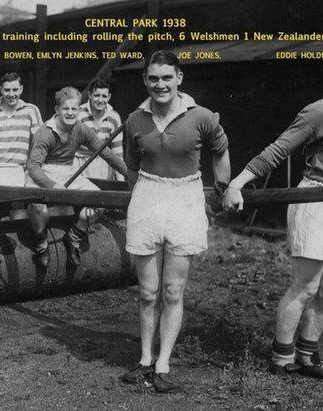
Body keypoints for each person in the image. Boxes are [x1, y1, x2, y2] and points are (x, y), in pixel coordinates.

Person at [224, 45, 323, 381]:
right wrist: (236, 184)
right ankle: (281, 358)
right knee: (306, 287)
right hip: (315, 202)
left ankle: (307, 355)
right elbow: (277, 150)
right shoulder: (320, 111)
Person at [121, 50, 231, 393]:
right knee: (148, 290)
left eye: (167, 77)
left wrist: (222, 190)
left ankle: (164, 363)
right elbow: (131, 167)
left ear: (179, 78)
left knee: (172, 289)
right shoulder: (134, 120)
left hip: (185, 197)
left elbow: (221, 152)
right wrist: (142, 196)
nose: (160, 85)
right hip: (149, 196)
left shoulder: (202, 117)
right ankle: (144, 359)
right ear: (145, 81)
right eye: (153, 78)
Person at [26, 86, 127, 268]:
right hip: (42, 173)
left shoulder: (81, 129)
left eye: (74, 109)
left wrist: (130, 175)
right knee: (39, 207)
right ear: (57, 110)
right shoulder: (45, 132)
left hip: (67, 171)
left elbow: (106, 153)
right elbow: (33, 167)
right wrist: (51, 185)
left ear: (79, 110)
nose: (70, 113)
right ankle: (41, 242)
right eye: (66, 108)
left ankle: (74, 236)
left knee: (99, 202)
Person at [0, 72, 42, 187]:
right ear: (1, 90)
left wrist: (30, 171)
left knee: (37, 202)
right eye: (7, 90)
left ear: (21, 89)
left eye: (15, 89)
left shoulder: (31, 110)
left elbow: (38, 144)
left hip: (20, 170)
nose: (11, 94)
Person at [76, 78, 125, 181]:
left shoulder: (114, 118)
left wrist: (121, 181)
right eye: (97, 95)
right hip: (80, 165)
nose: (100, 100)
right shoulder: (79, 114)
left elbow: (117, 152)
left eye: (104, 96)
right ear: (90, 95)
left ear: (109, 97)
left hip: (104, 167)